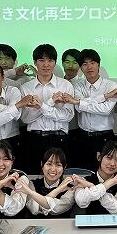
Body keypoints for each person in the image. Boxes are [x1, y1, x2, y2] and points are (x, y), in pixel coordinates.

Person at [59, 49, 117, 170]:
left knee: (107, 172)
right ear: (81, 68)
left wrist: (79, 102)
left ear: (98, 65)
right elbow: (78, 107)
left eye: (92, 63)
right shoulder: (77, 85)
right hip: (83, 137)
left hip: (105, 137)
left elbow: (105, 110)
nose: (89, 67)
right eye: (85, 64)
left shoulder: (112, 86)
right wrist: (105, 96)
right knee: (82, 172)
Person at [19, 44, 75, 174]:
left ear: (55, 63)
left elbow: (67, 116)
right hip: (34, 139)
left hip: (59, 138)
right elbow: (26, 118)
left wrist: (41, 106)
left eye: (50, 60)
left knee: (59, 178)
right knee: (32, 176)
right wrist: (50, 102)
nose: (46, 64)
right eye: (41, 60)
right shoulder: (26, 88)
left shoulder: (65, 85)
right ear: (35, 62)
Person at [73, 141, 117, 214]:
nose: (112, 164)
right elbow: (81, 202)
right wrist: (111, 182)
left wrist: (91, 186)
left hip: (115, 221)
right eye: (109, 158)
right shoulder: (84, 180)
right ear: (99, 156)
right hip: (91, 220)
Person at [16, 147, 75, 217]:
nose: (53, 169)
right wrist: (58, 190)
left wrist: (30, 192)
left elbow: (56, 209)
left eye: (58, 165)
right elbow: (35, 209)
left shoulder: (70, 189)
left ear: (64, 168)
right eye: (49, 164)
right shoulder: (31, 184)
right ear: (42, 164)